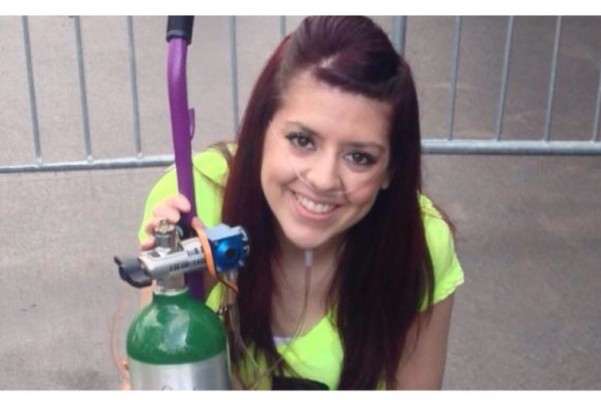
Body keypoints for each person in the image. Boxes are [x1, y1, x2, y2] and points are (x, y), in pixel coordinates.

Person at [136, 16, 464, 390]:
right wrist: (184, 305)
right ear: (261, 130)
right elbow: (146, 384)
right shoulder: (193, 202)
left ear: (391, 169)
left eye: (359, 157)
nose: (323, 179)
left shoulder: (419, 244)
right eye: (302, 140)